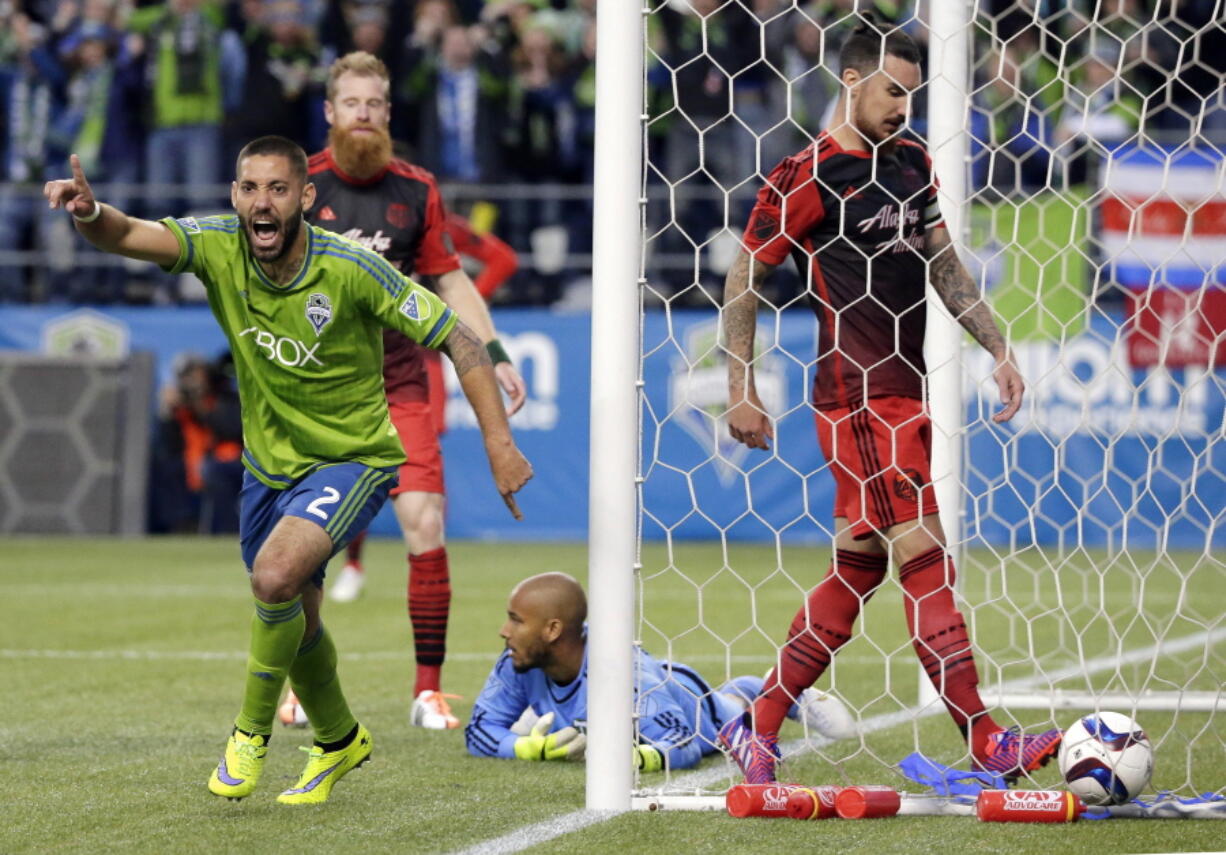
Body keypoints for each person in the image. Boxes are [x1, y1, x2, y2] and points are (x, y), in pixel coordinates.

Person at [43, 134, 532, 804]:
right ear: (235, 196)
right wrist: (91, 215)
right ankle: (338, 740)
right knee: (294, 613)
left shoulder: (353, 267)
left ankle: (248, 736)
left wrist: (498, 442)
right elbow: (131, 235)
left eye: (278, 188)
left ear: (306, 197)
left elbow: (458, 335)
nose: (262, 202)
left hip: (354, 456)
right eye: (250, 188)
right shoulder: (217, 245)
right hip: (266, 469)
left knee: (274, 576)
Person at [715, 16, 1062, 786]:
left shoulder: (910, 161)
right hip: (857, 396)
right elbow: (744, 281)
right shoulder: (805, 176)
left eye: (913, 93)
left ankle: (758, 722)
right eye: (892, 91)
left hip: (906, 391)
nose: (904, 106)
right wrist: (740, 388)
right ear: (851, 80)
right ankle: (985, 738)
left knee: (858, 568)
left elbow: (945, 265)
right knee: (925, 556)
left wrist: (998, 345)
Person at [286, 51, 526, 733]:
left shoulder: (417, 189)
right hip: (318, 391)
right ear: (330, 113)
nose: (364, 116)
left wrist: (495, 350)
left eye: (376, 105)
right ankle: (304, 684)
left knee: (425, 523)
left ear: (388, 114)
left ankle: (428, 691)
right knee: (307, 546)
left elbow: (450, 280)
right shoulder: (300, 186)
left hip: (400, 384)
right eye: (352, 104)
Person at [465, 573, 856, 770]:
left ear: (552, 631)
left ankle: (776, 689)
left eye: (516, 620)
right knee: (528, 727)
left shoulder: (623, 675)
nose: (504, 630)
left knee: (730, 711)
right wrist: (529, 749)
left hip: (693, 705)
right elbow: (478, 732)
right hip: (638, 690)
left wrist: (631, 759)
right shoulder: (518, 660)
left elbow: (683, 744)